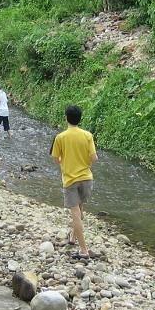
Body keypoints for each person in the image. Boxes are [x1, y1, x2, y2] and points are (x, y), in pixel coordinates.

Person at [51, 105, 98, 260]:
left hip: (70, 180)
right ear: (80, 118)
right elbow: (94, 158)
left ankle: (84, 250)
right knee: (80, 209)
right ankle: (72, 237)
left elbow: (56, 159)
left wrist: (65, 164)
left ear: (66, 118)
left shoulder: (60, 137)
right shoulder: (87, 135)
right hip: (86, 178)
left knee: (76, 215)